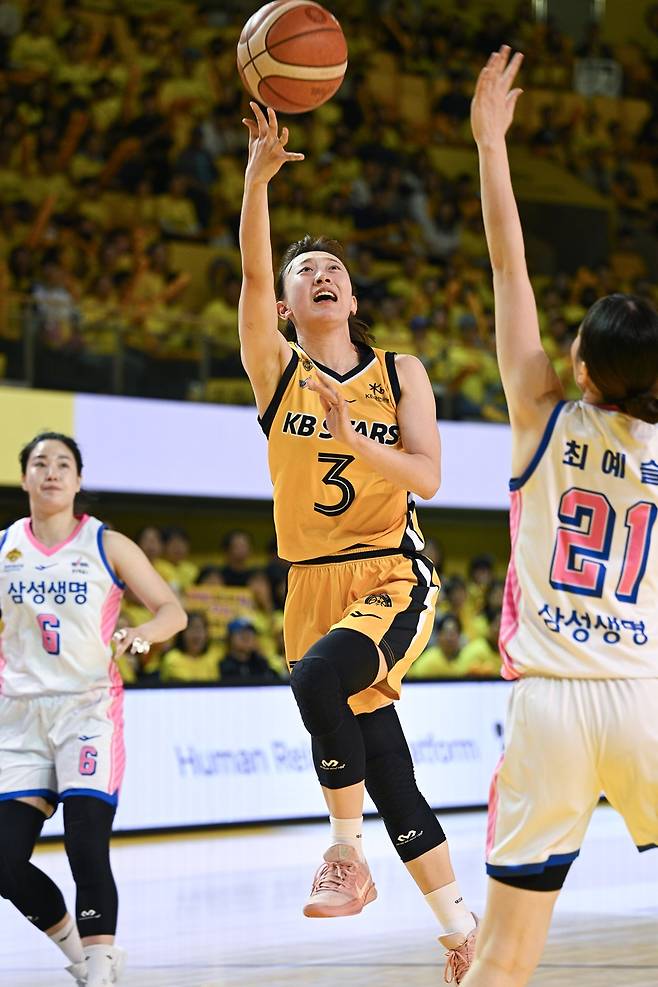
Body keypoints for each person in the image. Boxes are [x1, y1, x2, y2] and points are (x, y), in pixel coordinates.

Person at [238, 101, 478, 983]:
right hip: (309, 583)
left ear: (353, 297)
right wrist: (257, 181)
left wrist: (351, 437)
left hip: (389, 574)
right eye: (305, 271)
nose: (322, 275)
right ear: (288, 305)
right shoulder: (276, 367)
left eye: (334, 267)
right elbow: (250, 273)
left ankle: (346, 852)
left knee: (316, 679)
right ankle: (462, 929)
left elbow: (428, 477)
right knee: (388, 771)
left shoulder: (400, 370)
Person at [463, 47, 658, 987]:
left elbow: (509, 262)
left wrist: (490, 144)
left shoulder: (541, 412)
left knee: (504, 958)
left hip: (550, 703)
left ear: (580, 365)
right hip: (645, 693)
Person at [0, 432, 187, 987]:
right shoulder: (5, 546)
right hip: (19, 718)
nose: (51, 472)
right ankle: (77, 954)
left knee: (85, 845)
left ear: (78, 479)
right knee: (4, 861)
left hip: (87, 711)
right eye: (40, 463)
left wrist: (141, 633)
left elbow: (171, 610)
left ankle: (101, 970)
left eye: (63, 464)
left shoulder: (106, 543)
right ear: (24, 478)